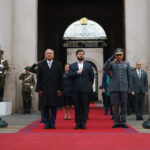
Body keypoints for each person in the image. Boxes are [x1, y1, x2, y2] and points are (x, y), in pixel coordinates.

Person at [103, 48, 131, 128]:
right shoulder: (112, 64)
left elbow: (129, 77)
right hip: (114, 88)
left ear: (123, 55)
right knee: (115, 105)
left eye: (120, 55)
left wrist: (130, 88)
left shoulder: (126, 64)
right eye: (117, 55)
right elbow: (104, 69)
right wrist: (111, 58)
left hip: (124, 88)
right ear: (115, 55)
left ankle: (123, 121)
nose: (119, 56)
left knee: (124, 105)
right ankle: (116, 121)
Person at [36, 49, 63, 129]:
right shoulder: (41, 65)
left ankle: (52, 122)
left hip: (55, 89)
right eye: (47, 53)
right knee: (45, 107)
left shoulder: (58, 64)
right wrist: (39, 89)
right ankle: (46, 123)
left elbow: (60, 78)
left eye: (51, 53)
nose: (49, 55)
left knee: (54, 107)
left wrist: (60, 89)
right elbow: (39, 77)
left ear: (53, 55)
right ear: (45, 55)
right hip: (44, 90)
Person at [69, 49, 94, 129]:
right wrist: (77, 73)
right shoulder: (72, 66)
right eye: (79, 54)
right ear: (76, 55)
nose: (81, 55)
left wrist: (88, 86)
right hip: (75, 89)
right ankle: (77, 123)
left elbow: (92, 77)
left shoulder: (88, 65)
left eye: (82, 54)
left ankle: (83, 123)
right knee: (77, 107)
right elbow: (69, 76)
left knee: (84, 107)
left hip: (85, 89)